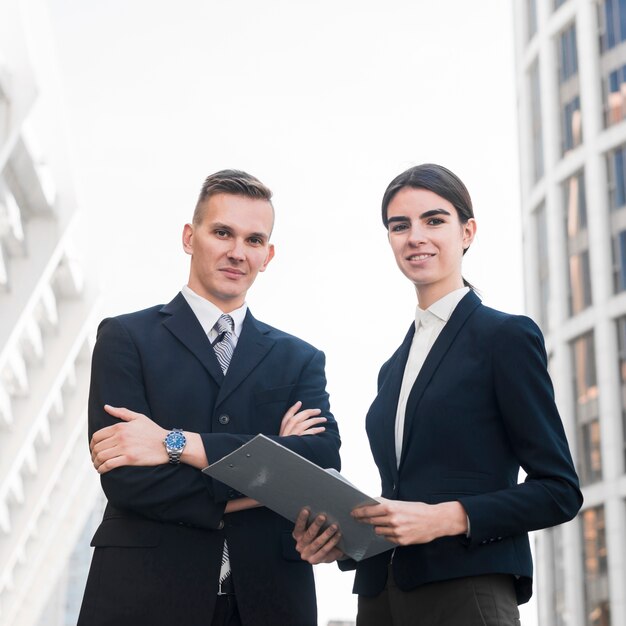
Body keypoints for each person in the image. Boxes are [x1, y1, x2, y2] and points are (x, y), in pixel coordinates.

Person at [293, 163, 582, 626]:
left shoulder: (504, 337)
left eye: (434, 220)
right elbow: (402, 496)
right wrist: (341, 541)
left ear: (467, 231)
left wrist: (446, 518)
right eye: (399, 225)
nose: (415, 236)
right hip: (379, 596)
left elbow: (560, 491)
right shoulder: (393, 367)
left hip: (465, 589)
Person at [78, 169, 341, 626]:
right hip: (144, 598)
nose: (237, 252)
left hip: (270, 603)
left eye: (254, 240)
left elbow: (319, 459)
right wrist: (271, 482)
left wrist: (171, 445)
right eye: (223, 232)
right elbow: (127, 481)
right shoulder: (125, 338)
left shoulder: (299, 359)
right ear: (189, 237)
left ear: (268, 255)